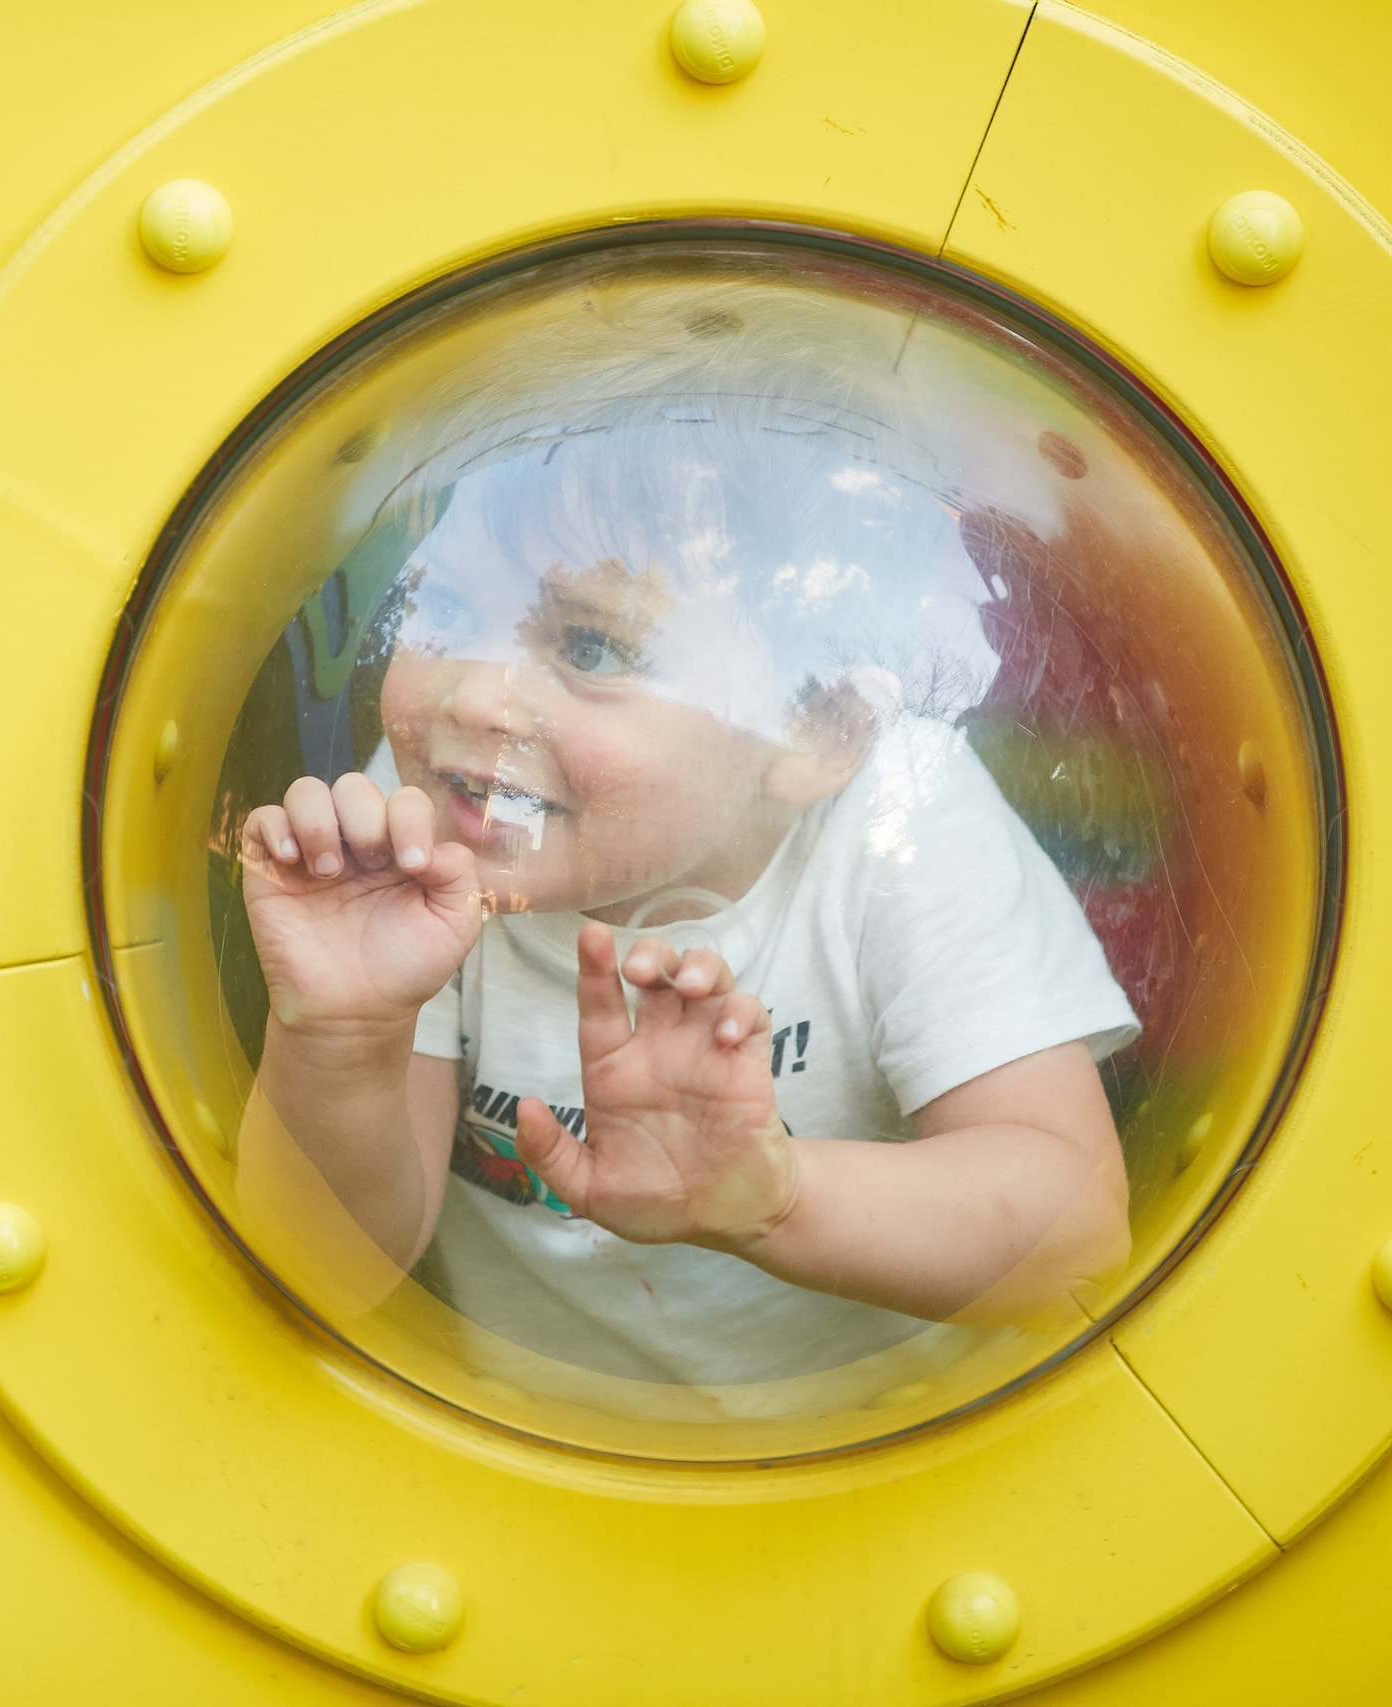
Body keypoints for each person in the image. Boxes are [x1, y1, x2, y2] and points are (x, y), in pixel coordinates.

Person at [234, 308, 1139, 1390]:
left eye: (589, 646)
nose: (471, 693)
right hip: (527, 1453)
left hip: (894, 1455)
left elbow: (1075, 1228)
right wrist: (342, 1038)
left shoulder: (904, 827)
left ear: (817, 731)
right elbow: (328, 1272)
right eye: (449, 606)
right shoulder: (426, 825)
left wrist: (774, 1199)